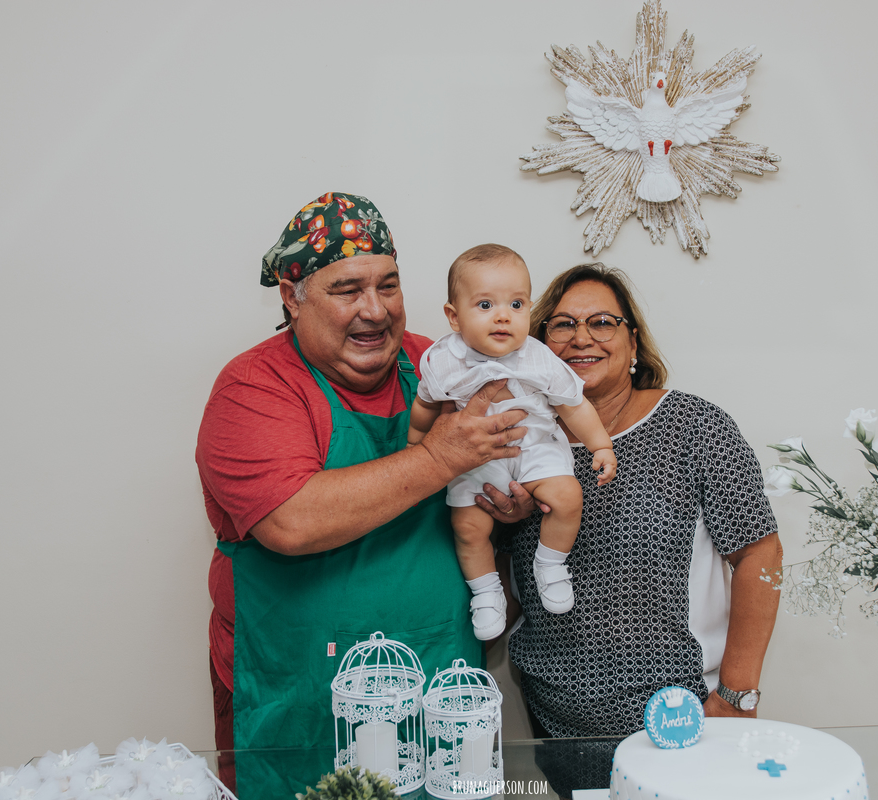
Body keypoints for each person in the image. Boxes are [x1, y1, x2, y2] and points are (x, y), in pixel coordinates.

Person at [195, 192, 530, 800]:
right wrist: (438, 456)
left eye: (389, 285)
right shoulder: (254, 387)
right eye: (347, 289)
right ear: (292, 298)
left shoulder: (438, 363)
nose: (374, 310)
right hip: (303, 690)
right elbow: (290, 521)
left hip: (438, 673)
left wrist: (514, 505)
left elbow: (519, 453)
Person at [478, 263, 783, 741]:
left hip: (684, 714)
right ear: (535, 348)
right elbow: (501, 586)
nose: (582, 338)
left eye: (602, 322)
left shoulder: (694, 425)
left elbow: (760, 554)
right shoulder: (517, 439)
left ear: (633, 342)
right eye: (562, 325)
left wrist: (738, 693)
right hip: (555, 721)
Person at [407, 244, 617, 641]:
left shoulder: (539, 360)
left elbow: (574, 407)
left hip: (534, 447)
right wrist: (416, 445)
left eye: (517, 304)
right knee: (467, 526)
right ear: (454, 316)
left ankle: (550, 563)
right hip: (474, 458)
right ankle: (486, 592)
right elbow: (425, 405)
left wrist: (600, 446)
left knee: (568, 496)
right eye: (485, 304)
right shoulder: (444, 361)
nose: (503, 315)